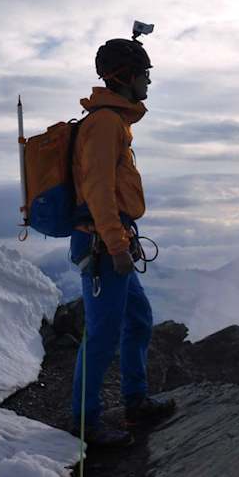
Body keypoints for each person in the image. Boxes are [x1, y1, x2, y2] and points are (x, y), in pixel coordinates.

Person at [67, 37, 176, 447]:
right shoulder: (106, 124)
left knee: (139, 320)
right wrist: (116, 247)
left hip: (112, 240)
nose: (149, 81)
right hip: (101, 245)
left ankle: (135, 401)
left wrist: (120, 241)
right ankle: (83, 423)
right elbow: (98, 191)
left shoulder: (115, 122)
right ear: (126, 77)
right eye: (145, 73)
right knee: (103, 334)